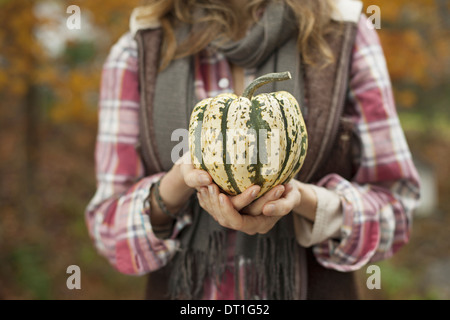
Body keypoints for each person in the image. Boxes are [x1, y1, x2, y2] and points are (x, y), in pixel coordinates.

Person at [85, 0, 421, 300]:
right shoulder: (140, 48)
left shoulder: (344, 33)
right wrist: (174, 187)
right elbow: (108, 229)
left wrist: (302, 201)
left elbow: (396, 211)